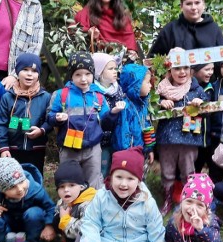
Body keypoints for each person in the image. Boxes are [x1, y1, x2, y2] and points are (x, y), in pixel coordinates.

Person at [80, 147, 168, 242]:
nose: (123, 184)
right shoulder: (102, 197)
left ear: (138, 181)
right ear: (111, 176)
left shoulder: (147, 203)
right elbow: (91, 221)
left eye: (130, 179)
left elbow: (156, 233)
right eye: (119, 177)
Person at [47, 51, 124, 189]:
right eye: (78, 74)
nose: (83, 79)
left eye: (87, 74)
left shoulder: (98, 96)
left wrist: (113, 112)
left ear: (93, 74)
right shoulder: (61, 95)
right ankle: (70, 207)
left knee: (94, 180)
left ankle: (93, 207)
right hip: (69, 148)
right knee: (69, 181)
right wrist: (57, 118)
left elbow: (106, 123)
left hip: (93, 148)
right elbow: (50, 117)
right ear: (71, 75)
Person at [155, 48, 208, 214]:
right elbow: (152, 105)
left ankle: (187, 199)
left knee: (188, 170)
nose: (182, 72)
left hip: (188, 138)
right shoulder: (162, 89)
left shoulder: (195, 88)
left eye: (185, 67)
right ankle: (168, 199)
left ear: (191, 69)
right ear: (170, 69)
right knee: (167, 170)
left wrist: (201, 101)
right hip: (167, 138)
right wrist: (161, 103)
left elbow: (207, 102)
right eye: (177, 68)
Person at [0, 53, 51, 175]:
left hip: (36, 149)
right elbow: (1, 124)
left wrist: (42, 130)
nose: (30, 74)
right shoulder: (7, 97)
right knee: (13, 180)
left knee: (34, 180)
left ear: (39, 75)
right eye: (25, 70)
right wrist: (3, 147)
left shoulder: (45, 97)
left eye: (34, 71)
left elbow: (50, 120)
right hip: (12, 149)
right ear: (17, 71)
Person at [148, 0, 223, 56]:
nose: (193, 7)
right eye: (189, 4)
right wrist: (169, 58)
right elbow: (152, 61)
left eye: (197, 3)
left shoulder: (213, 28)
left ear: (203, 4)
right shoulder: (170, 30)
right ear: (181, 6)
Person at [52, 160, 97, 242]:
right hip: (72, 230)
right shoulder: (65, 200)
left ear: (81, 186)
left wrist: (65, 219)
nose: (66, 190)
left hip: (91, 238)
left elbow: (85, 230)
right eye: (61, 186)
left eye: (71, 185)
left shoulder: (89, 203)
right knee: (56, 218)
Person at [114, 63, 155, 163]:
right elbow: (123, 133)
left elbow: (146, 126)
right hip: (129, 155)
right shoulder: (125, 107)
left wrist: (149, 148)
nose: (150, 85)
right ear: (136, 84)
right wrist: (127, 154)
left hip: (141, 152)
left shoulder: (142, 104)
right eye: (148, 82)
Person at [93, 53, 125, 177]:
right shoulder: (94, 91)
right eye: (110, 69)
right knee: (103, 169)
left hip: (117, 136)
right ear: (99, 72)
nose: (115, 71)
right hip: (102, 140)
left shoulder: (118, 88)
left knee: (116, 168)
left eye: (115, 68)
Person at [192, 62, 216, 173]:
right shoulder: (187, 86)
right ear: (195, 70)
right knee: (194, 168)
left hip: (207, 137)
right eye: (207, 69)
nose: (210, 72)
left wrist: (203, 103)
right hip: (192, 136)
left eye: (212, 69)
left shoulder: (210, 88)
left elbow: (209, 108)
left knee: (212, 167)